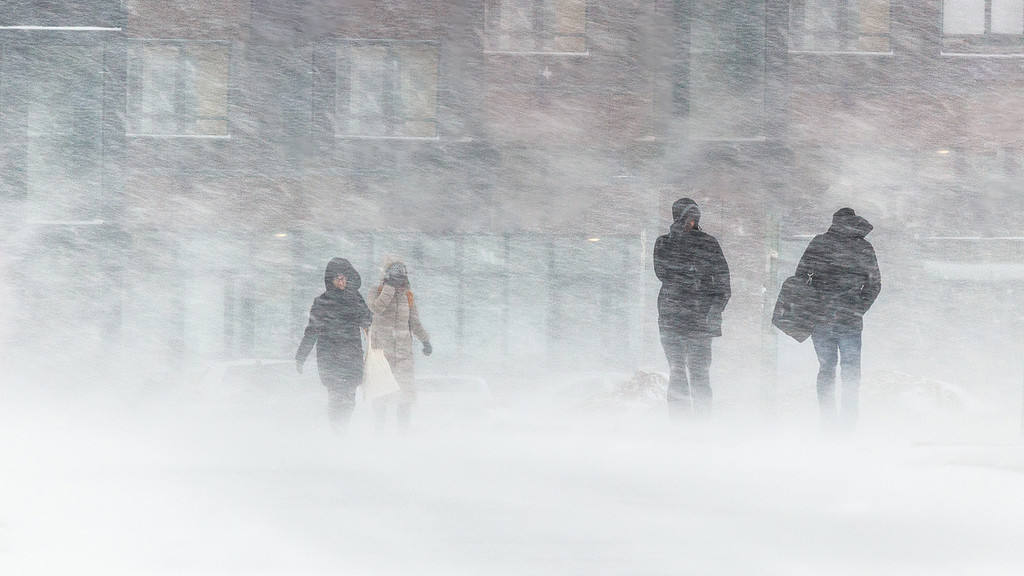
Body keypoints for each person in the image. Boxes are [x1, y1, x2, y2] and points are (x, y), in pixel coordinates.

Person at [796, 207, 881, 429]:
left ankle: (827, 419)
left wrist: (813, 303)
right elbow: (874, 284)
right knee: (851, 369)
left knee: (826, 367)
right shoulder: (863, 247)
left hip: (821, 317)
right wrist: (858, 307)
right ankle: (849, 420)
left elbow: (799, 278)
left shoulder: (819, 243)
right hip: (850, 320)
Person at [654, 198, 731, 416]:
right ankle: (680, 423)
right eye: (687, 217)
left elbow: (724, 282)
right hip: (672, 318)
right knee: (677, 371)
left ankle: (701, 422)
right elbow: (663, 273)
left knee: (699, 373)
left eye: (695, 217)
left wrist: (715, 309)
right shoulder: (664, 243)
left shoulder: (708, 243)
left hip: (699, 319)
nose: (692, 222)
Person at [296, 257, 373, 431]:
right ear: (331, 280)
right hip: (330, 357)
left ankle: (341, 430)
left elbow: (367, 321)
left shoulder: (355, 299)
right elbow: (312, 330)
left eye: (344, 277)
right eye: (338, 278)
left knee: (350, 398)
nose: (342, 281)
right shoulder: (322, 302)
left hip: (352, 356)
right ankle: (337, 431)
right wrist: (301, 356)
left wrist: (357, 302)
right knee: (336, 397)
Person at [368, 259, 431, 430]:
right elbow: (376, 308)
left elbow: (414, 322)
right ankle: (379, 431)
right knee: (382, 394)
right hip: (382, 353)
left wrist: (425, 340)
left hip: (404, 355)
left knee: (405, 395)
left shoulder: (408, 296)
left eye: (401, 277)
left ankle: (403, 432)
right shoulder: (377, 291)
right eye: (395, 277)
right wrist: (388, 289)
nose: (399, 281)